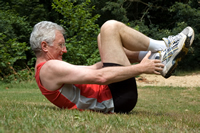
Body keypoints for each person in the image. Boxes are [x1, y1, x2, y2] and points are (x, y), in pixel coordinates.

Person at [30, 20, 194, 113]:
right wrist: (141, 68)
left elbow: (94, 68)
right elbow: (101, 77)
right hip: (116, 99)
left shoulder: (47, 69)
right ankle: (163, 47)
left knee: (104, 38)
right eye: (60, 45)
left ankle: (158, 55)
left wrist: (114, 54)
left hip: (115, 94)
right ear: (45, 46)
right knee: (110, 27)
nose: (64, 50)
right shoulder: (50, 68)